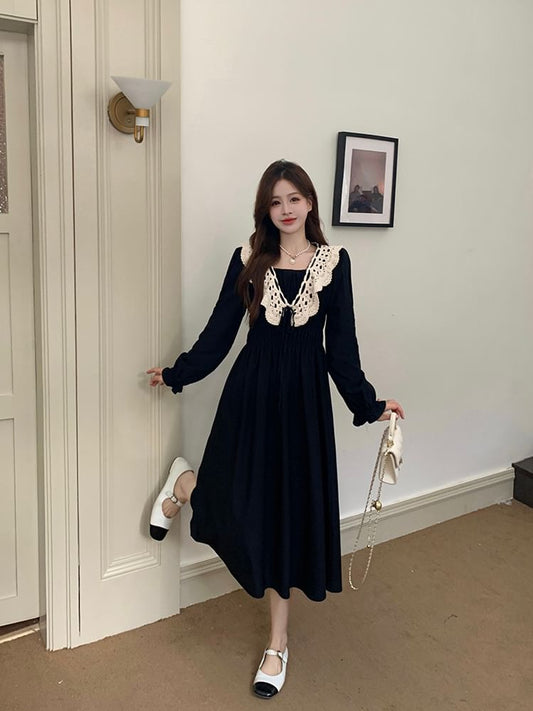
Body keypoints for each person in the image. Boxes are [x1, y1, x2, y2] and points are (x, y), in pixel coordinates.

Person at [147, 159, 404, 699]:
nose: (286, 209)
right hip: (252, 395)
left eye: (294, 199)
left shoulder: (335, 263)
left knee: (284, 516)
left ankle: (277, 644)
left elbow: (342, 348)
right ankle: (186, 485)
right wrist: (176, 374)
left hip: (304, 406)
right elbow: (220, 332)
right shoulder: (248, 259)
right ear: (266, 209)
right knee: (235, 503)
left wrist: (369, 404)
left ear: (310, 203)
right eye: (275, 201)